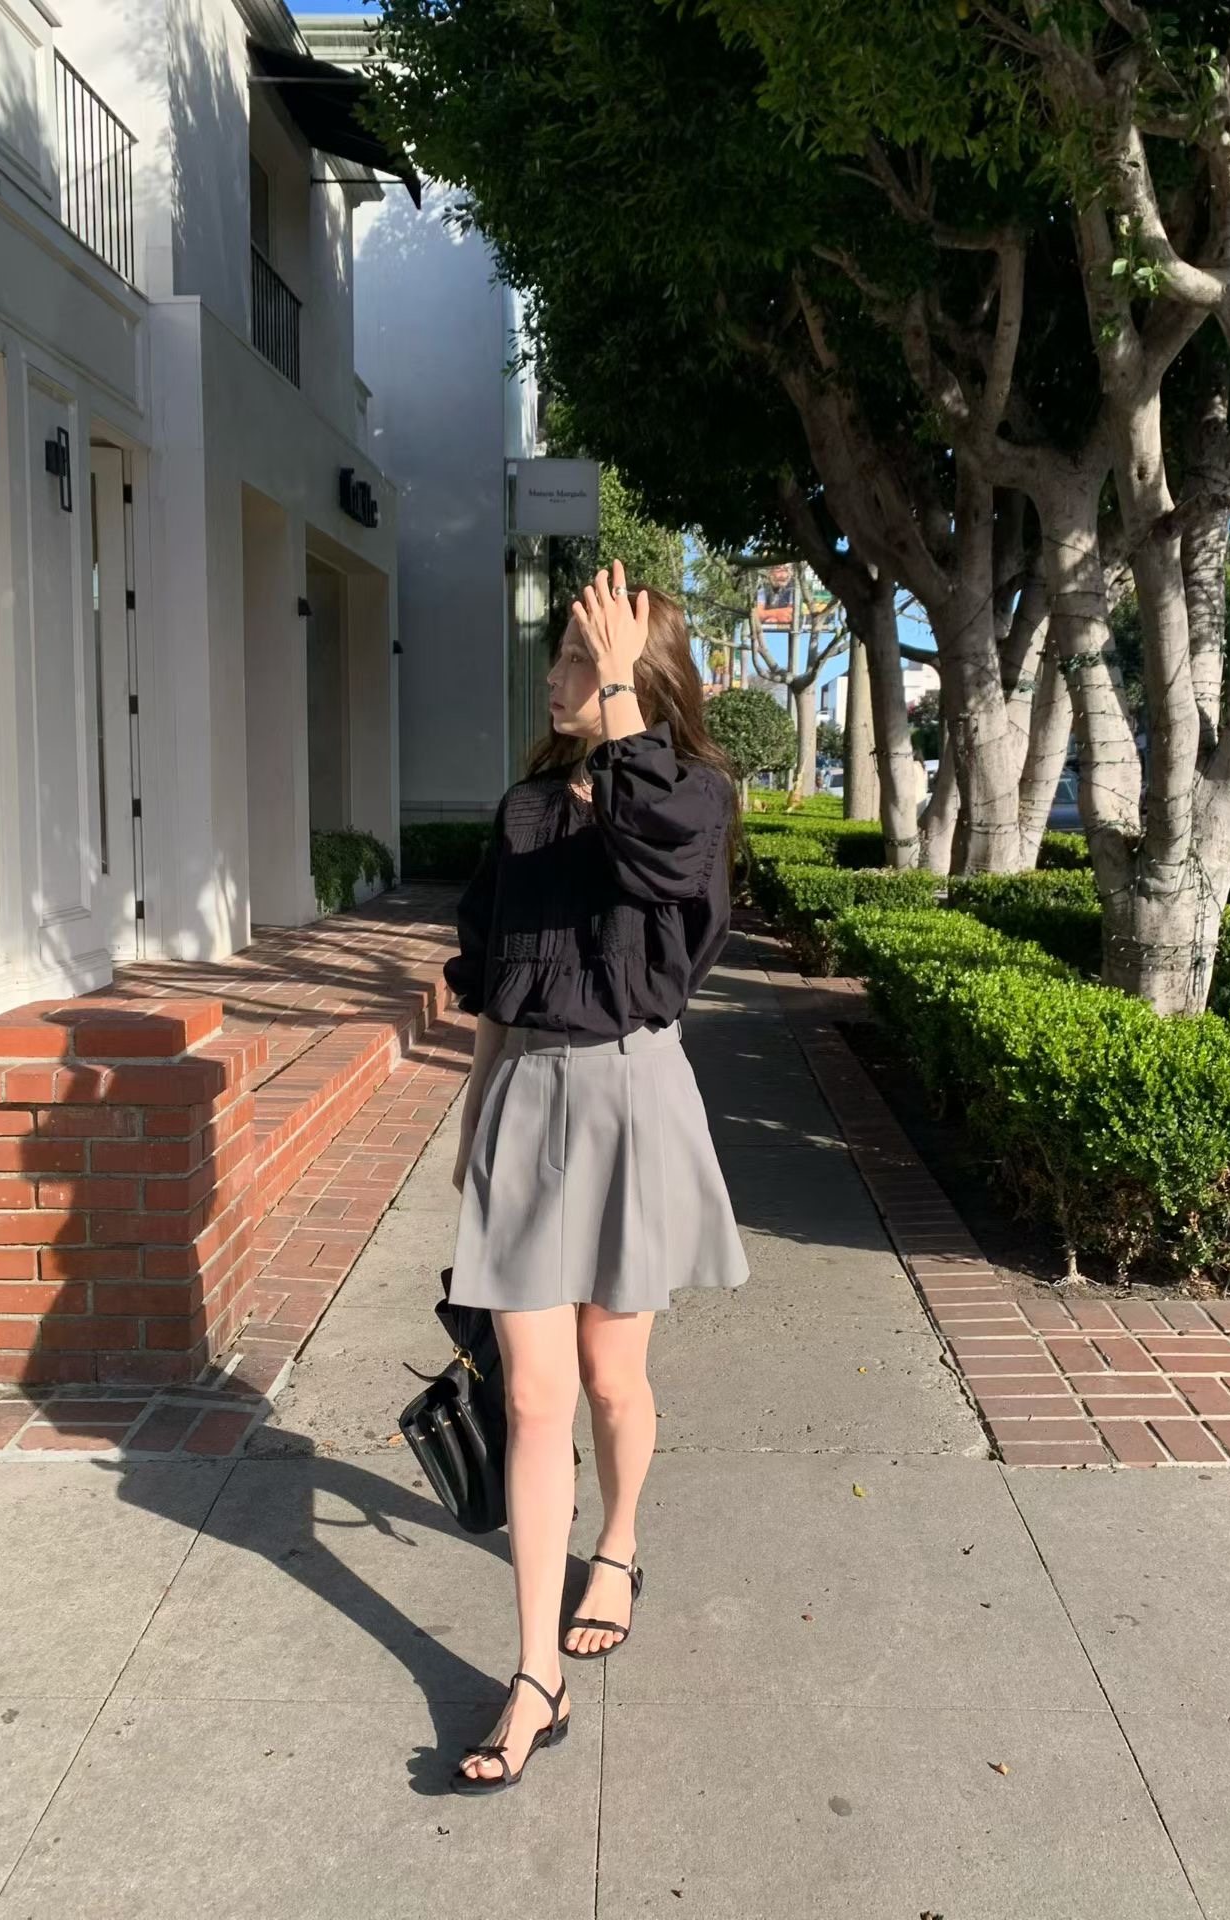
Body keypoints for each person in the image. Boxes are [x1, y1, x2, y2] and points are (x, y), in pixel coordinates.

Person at [441, 560, 750, 1794]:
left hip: (632, 1098)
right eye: (564, 655)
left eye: (584, 655)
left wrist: (619, 696)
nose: (559, 675)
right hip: (526, 1098)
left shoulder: (692, 797)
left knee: (613, 1379)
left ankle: (615, 1542)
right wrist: (476, 1117)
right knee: (533, 1397)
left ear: (639, 675)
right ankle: (534, 1678)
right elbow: (491, 978)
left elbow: (664, 864)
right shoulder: (524, 809)